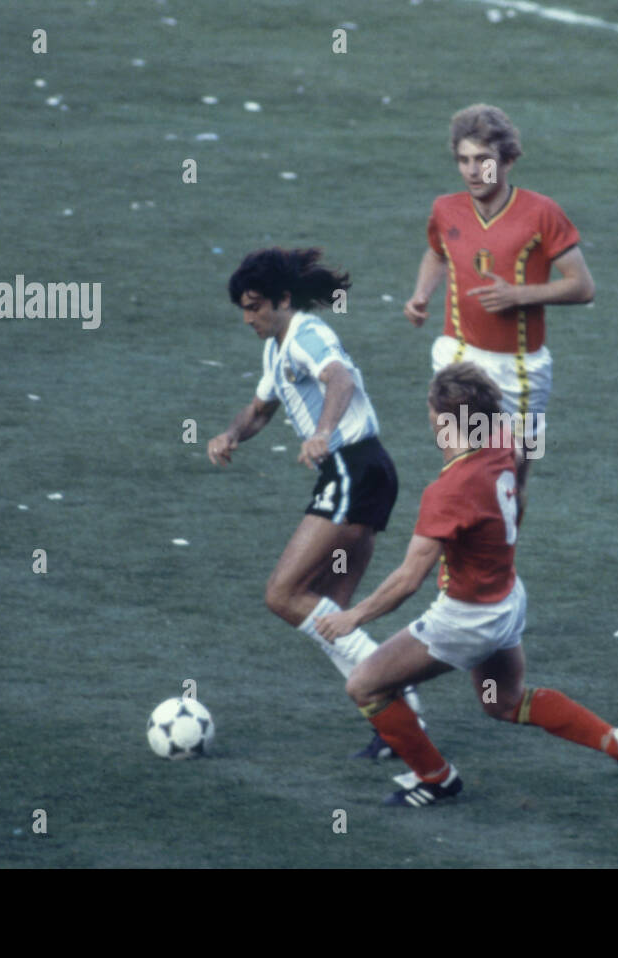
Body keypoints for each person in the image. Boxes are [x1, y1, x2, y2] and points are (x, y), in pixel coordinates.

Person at [315, 363, 618, 807]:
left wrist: (352, 617)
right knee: (505, 701)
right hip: (507, 600)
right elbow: (522, 470)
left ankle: (436, 778)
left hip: (466, 618)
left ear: (442, 420)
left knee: (364, 685)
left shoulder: (449, 492)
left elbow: (407, 580)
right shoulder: (502, 443)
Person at [207, 246, 421, 757]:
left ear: (283, 299)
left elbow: (340, 379)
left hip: (352, 466)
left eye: (255, 305)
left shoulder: (308, 333)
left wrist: (322, 432)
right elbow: (261, 409)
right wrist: (232, 434)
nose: (247, 317)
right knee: (331, 615)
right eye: (243, 307)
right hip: (359, 471)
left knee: (283, 594)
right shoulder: (276, 349)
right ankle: (395, 725)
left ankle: (400, 695)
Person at [403, 104, 595, 519]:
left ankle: (500, 566)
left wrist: (519, 296)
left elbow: (583, 287)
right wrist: (421, 295)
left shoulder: (542, 213)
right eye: (464, 160)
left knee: (510, 477)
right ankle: (460, 570)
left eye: (484, 161)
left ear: (507, 161)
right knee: (460, 471)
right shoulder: (445, 209)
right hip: (456, 355)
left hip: (520, 369)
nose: (473, 171)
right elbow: (437, 253)